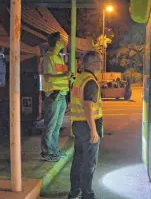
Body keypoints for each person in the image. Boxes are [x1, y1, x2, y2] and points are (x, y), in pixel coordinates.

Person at [68, 51, 104, 199]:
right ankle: (87, 194)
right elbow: (88, 106)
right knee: (88, 163)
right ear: (93, 63)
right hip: (88, 126)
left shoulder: (80, 78)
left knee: (78, 160)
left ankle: (74, 192)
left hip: (78, 125)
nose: (101, 64)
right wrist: (94, 130)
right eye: (100, 62)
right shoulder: (90, 81)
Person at [41, 32, 72, 162]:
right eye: (61, 40)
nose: (64, 42)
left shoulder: (59, 58)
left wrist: (68, 77)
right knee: (51, 125)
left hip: (61, 94)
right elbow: (47, 76)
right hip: (53, 95)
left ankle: (54, 151)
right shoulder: (48, 58)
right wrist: (64, 76)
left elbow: (61, 75)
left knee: (57, 125)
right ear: (56, 42)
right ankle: (47, 152)